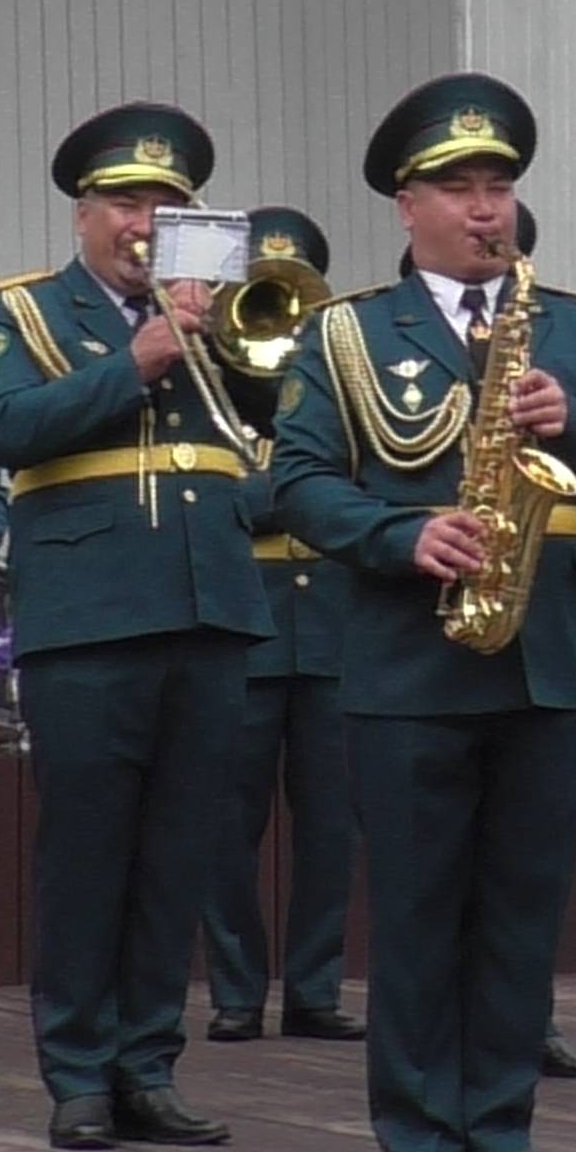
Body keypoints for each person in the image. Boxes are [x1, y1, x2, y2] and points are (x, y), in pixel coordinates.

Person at [269, 73, 576, 1152]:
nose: (485, 209)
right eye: (458, 188)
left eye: (498, 187)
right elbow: (294, 483)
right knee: (415, 905)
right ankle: (415, 1135)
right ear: (407, 205)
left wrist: (575, 422)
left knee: (520, 907)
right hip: (404, 666)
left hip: (539, 660)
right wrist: (401, 533)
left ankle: (498, 1128)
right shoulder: (346, 332)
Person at [0, 104, 264, 1152]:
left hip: (208, 605)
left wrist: (223, 332)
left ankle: (149, 1063)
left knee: (179, 850)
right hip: (88, 614)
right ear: (83, 213)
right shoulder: (21, 311)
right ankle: (79, 1070)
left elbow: (282, 425)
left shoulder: (227, 319)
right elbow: (4, 427)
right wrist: (138, 357)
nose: (146, 222)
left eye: (169, 206)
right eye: (128, 202)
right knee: (87, 851)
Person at [203, 204, 360, 1046]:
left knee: (332, 824)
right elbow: (222, 503)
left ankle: (316, 987)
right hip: (252, 622)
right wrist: (295, 492)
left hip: (334, 621)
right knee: (230, 822)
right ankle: (235, 988)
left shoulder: (342, 384)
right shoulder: (203, 383)